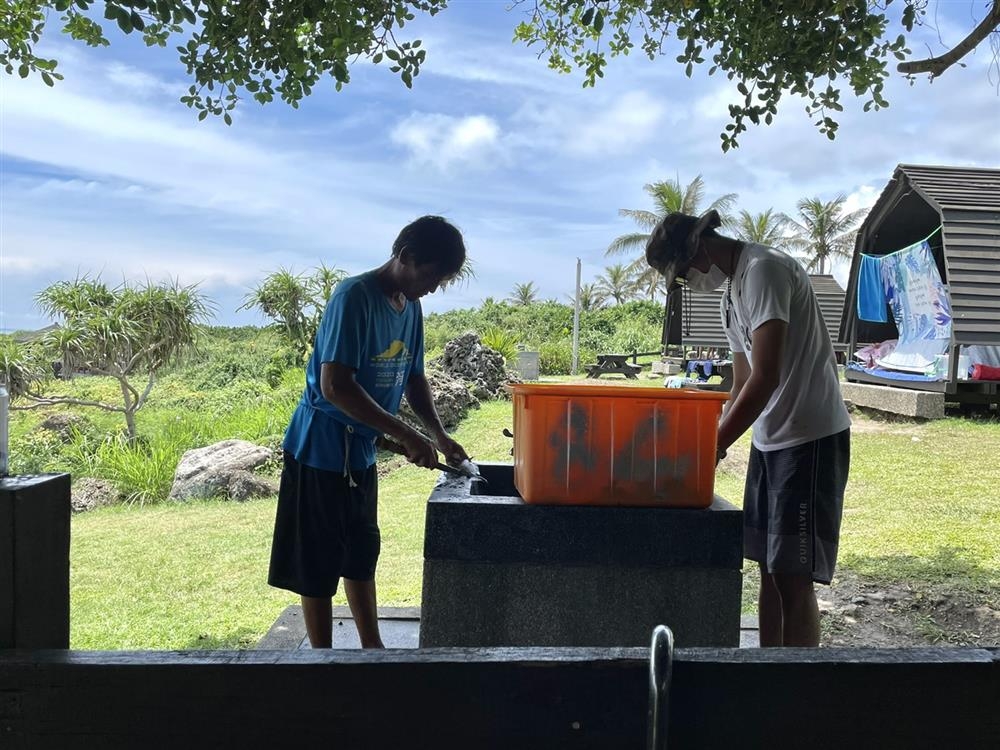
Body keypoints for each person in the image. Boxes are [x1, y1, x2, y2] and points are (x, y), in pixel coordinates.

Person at [646, 209, 851, 647]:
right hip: (771, 439)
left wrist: (714, 445)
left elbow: (766, 375)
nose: (689, 280)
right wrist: (709, 439)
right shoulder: (730, 294)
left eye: (684, 272)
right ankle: (767, 672)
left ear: (700, 248)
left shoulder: (764, 270)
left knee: (793, 575)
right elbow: (740, 382)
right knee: (766, 565)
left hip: (809, 435)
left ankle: (794, 688)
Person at [268, 215, 470, 649]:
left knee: (361, 554)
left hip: (359, 453)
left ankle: (372, 648)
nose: (433, 288)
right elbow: (336, 386)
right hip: (319, 450)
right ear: (405, 257)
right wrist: (406, 435)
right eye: (432, 275)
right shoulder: (352, 297)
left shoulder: (409, 306)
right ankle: (323, 658)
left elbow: (414, 378)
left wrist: (436, 434)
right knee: (319, 564)